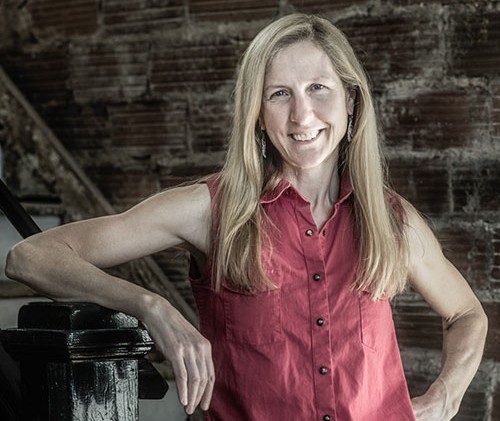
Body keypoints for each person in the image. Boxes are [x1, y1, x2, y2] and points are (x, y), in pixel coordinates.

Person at [5, 13, 487, 421]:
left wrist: (444, 396)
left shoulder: (392, 219)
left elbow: (467, 314)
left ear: (351, 100)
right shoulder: (212, 210)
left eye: (318, 88)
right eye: (279, 94)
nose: (302, 116)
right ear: (256, 112)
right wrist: (152, 308)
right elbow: (32, 257)